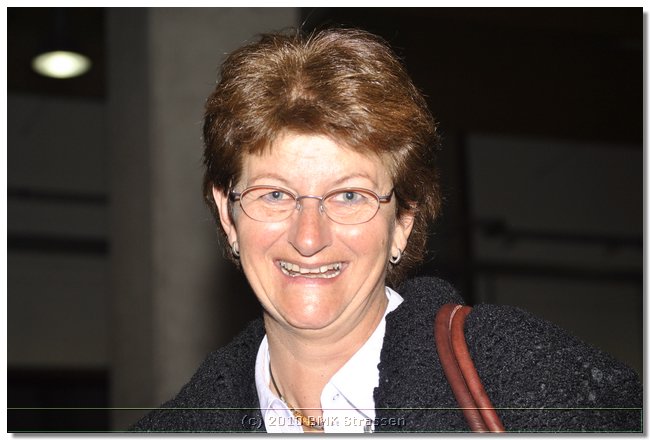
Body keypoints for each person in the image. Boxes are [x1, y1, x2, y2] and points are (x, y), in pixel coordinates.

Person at [132, 27, 641, 433]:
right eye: (275, 195)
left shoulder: (524, 382)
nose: (308, 238)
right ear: (229, 216)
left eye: (349, 196)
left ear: (402, 222)